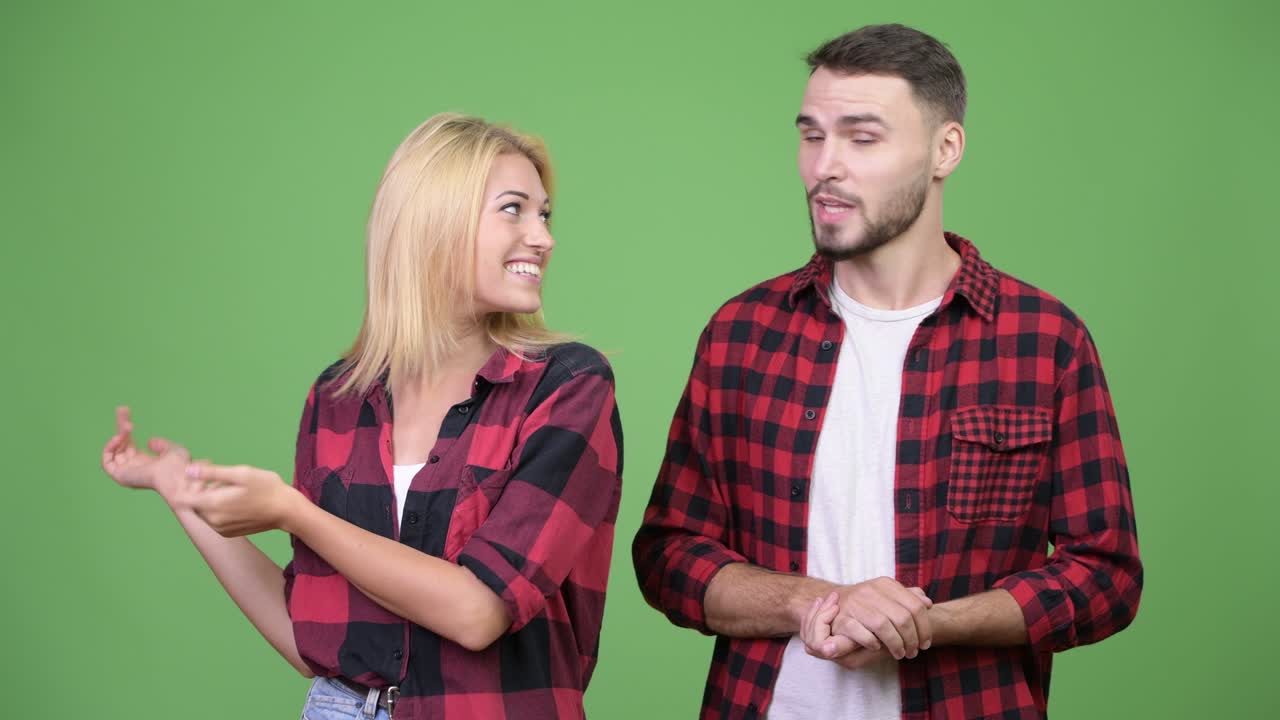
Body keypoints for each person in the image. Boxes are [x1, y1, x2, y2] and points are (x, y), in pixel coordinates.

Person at [631, 24, 1141, 719]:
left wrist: (927, 624)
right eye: (812, 134)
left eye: (861, 137)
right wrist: (816, 602)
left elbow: (1104, 577)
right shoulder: (741, 334)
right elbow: (668, 556)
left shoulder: (1046, 339)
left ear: (945, 150)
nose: (824, 167)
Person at [101, 113, 624, 720]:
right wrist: (181, 494)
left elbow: (478, 614)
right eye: (514, 209)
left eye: (544, 214)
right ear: (434, 222)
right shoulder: (340, 396)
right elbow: (309, 639)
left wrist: (294, 513)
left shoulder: (568, 386)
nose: (543, 237)